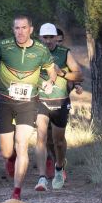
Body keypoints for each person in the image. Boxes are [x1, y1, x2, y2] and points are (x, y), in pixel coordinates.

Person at [0, 15, 57, 200]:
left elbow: (51, 70)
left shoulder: (40, 50)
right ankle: (10, 152)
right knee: (7, 150)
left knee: (22, 144)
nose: (20, 31)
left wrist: (50, 82)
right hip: (4, 101)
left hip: (28, 103)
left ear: (31, 29)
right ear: (13, 30)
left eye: (24, 28)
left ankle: (16, 192)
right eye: (17, 28)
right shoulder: (4, 46)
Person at [34, 23, 83, 191]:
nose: (48, 41)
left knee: (58, 142)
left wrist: (62, 73)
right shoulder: (33, 53)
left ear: (56, 37)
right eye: (44, 38)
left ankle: (59, 167)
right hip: (40, 100)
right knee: (41, 137)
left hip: (60, 101)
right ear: (39, 38)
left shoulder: (64, 53)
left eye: (50, 37)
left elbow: (79, 74)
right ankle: (41, 178)